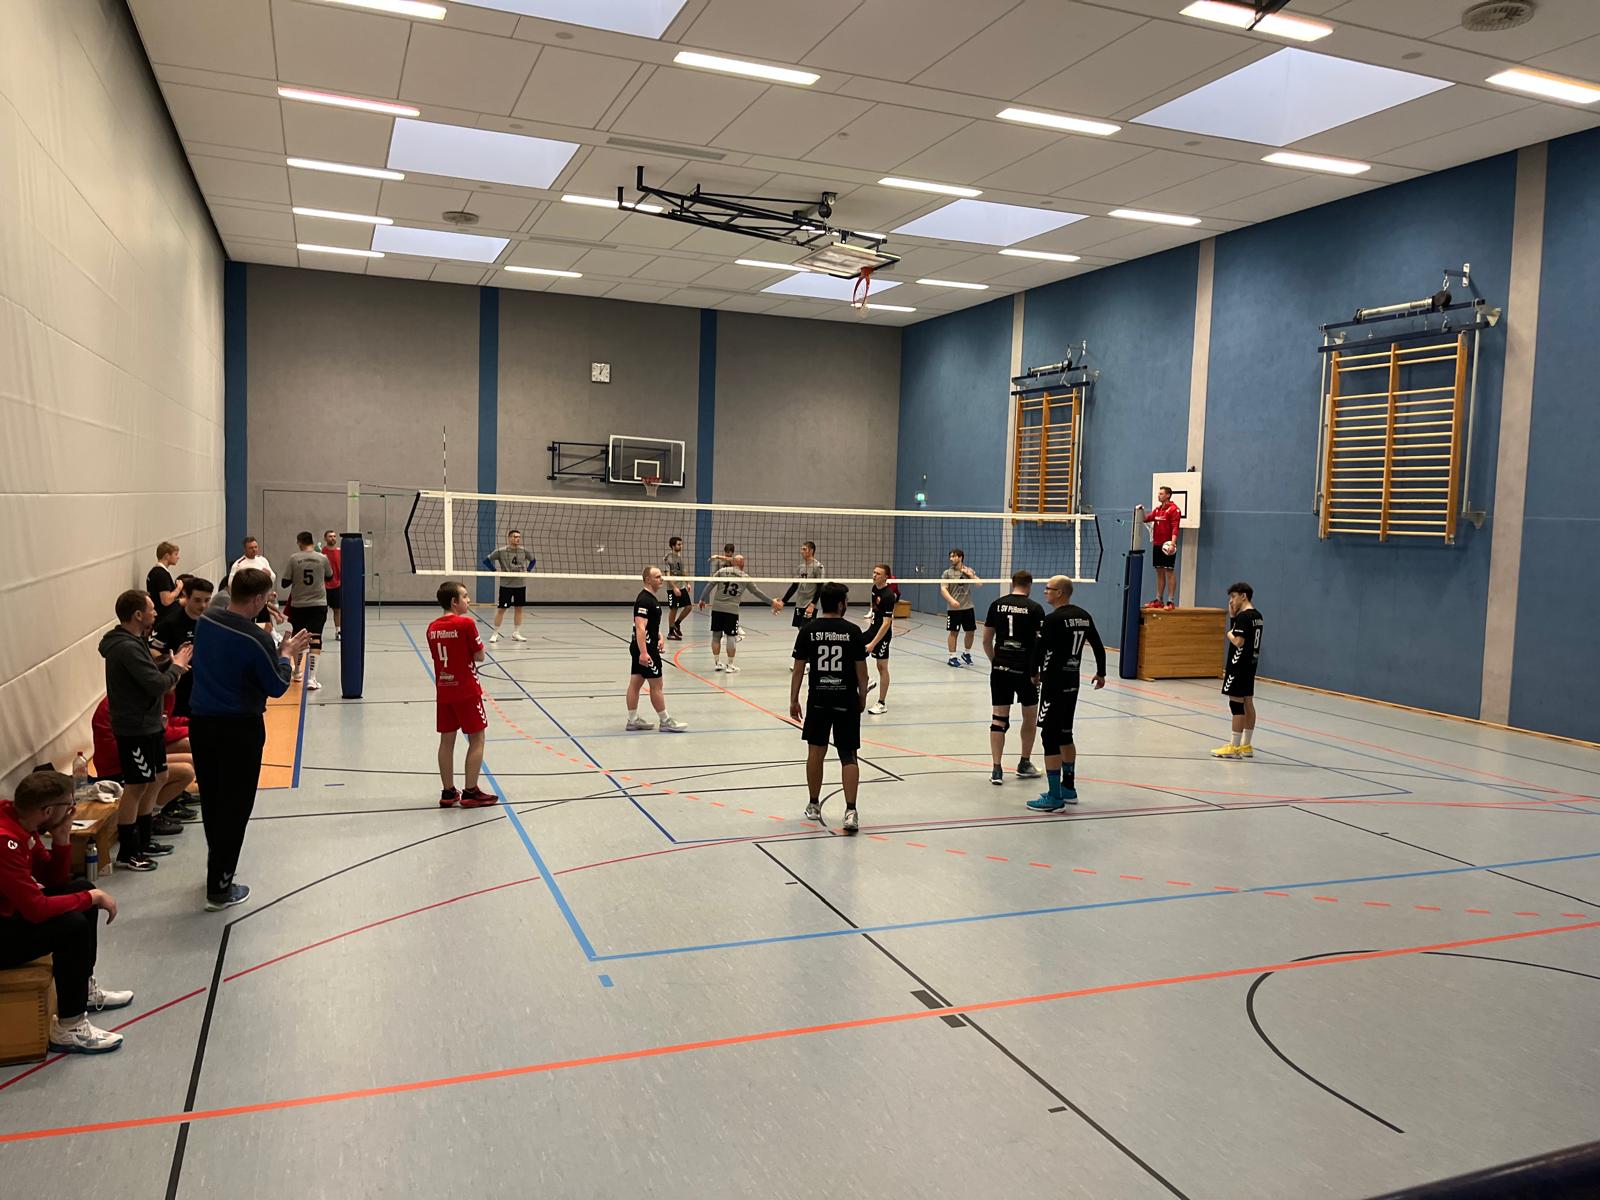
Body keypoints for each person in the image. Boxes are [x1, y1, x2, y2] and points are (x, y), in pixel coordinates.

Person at [189, 568, 310, 910]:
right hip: (238, 730)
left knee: (213, 800)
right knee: (235, 806)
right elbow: (276, 685)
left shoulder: (207, 621)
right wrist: (285, 654)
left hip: (202, 724)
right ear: (257, 599)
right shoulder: (255, 639)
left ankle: (217, 868)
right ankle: (220, 888)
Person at [0, 771, 129, 1054]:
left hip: (10, 914)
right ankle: (69, 1026)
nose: (72, 811)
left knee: (82, 889)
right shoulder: (5, 841)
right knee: (72, 924)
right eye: (69, 806)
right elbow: (36, 909)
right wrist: (90, 898)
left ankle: (82, 990)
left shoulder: (19, 819)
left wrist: (61, 837)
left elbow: (54, 880)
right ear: (47, 811)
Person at [99, 590, 191, 870]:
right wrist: (176, 667)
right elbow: (156, 684)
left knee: (159, 776)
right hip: (134, 728)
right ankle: (129, 850)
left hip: (149, 724)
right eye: (151, 609)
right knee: (137, 785)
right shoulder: (125, 647)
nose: (156, 612)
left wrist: (168, 664)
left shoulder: (136, 642)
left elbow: (148, 674)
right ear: (138, 615)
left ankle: (145, 837)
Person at [790, 582, 869, 832]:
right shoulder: (853, 631)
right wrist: (862, 697)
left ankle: (814, 804)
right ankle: (851, 811)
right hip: (846, 700)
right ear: (841, 604)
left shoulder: (808, 630)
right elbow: (863, 674)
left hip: (818, 700)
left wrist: (793, 700)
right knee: (848, 755)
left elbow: (798, 670)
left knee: (816, 752)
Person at [1027, 575, 1106, 812]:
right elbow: (1098, 645)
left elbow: (1039, 649)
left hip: (1053, 683)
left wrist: (1034, 673)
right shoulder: (1084, 616)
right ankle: (1068, 788)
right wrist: (1101, 673)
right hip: (1072, 682)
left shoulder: (1053, 619)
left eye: (1048, 589)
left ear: (1060, 592)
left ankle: (1054, 797)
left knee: (1049, 736)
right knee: (1065, 733)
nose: (1045, 592)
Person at [427, 582, 500, 805]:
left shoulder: (432, 628)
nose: (468, 600)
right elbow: (480, 656)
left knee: (446, 740)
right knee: (477, 738)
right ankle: (470, 792)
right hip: (466, 690)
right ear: (454, 602)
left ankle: (448, 792)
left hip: (444, 690)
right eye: (465, 596)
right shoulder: (466, 624)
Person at [91, 692, 199, 826]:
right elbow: (157, 732)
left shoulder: (149, 695)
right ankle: (152, 815)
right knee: (185, 771)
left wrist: (191, 724)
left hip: (133, 753)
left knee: (189, 757)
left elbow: (164, 722)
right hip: (117, 767)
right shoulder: (129, 702)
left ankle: (168, 801)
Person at [982, 570, 1044, 786]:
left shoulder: (996, 605)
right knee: (1029, 716)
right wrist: (1037, 672)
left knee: (998, 719)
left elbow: (986, 640)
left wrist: (995, 662)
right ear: (1029, 585)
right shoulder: (1035, 608)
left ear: (1012, 583)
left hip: (1000, 668)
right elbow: (1040, 645)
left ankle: (997, 769)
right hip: (1025, 671)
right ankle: (1024, 763)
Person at [625, 567, 689, 733]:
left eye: (661, 576)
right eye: (657, 576)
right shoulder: (644, 600)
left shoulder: (650, 599)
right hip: (645, 648)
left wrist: (659, 635)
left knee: (636, 682)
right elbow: (640, 627)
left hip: (642, 646)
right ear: (648, 580)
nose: (662, 579)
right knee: (657, 685)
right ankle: (665, 720)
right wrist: (644, 652)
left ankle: (632, 720)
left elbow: (649, 625)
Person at [697, 554, 774, 674]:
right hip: (731, 610)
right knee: (731, 637)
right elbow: (757, 592)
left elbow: (709, 585)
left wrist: (702, 599)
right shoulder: (745, 577)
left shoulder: (722, 571)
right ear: (743, 564)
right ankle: (730, 665)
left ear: (733, 562)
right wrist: (772, 602)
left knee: (716, 636)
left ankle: (717, 663)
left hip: (717, 608)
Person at [1213, 582, 1264, 760]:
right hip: (1250, 664)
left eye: (1234, 597)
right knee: (1248, 702)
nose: (1231, 601)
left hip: (1238, 664)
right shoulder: (1257, 616)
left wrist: (1228, 633)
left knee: (1236, 704)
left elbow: (1238, 641)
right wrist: (1233, 617)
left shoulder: (1244, 617)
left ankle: (1234, 747)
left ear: (1243, 596)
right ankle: (1246, 745)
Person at [156, 576, 213, 720]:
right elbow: (153, 652)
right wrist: (173, 660)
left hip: (208, 687)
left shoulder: (214, 622)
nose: (203, 605)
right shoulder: (170, 623)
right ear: (186, 597)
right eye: (197, 600)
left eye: (207, 600)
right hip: (182, 690)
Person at [282, 531, 333, 690]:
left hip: (299, 604)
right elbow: (330, 576)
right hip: (318, 603)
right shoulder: (322, 558)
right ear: (312, 541)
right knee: (315, 638)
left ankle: (297, 671)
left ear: (299, 542)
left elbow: (285, 582)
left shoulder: (294, 559)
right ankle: (312, 678)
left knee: (299, 637)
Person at [484, 530, 534, 643]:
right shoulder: (501, 551)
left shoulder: (524, 551)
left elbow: (533, 560)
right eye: (515, 537)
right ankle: (495, 633)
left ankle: (516, 633)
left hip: (520, 584)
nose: (517, 539)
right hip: (506, 585)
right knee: (502, 609)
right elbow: (486, 560)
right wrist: (494, 571)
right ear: (509, 538)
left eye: (519, 537)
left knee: (519, 609)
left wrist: (528, 570)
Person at [863, 564, 898, 715]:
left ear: (885, 577)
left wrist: (873, 643)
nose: (874, 575)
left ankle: (882, 703)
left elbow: (886, 623)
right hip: (871, 630)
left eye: (878, 573)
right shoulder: (874, 589)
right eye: (874, 572)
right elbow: (875, 611)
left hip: (882, 636)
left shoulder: (889, 596)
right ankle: (867, 681)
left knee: (882, 667)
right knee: (854, 651)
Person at [1141, 486, 1182, 610]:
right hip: (1157, 544)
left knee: (1169, 571)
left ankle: (1170, 601)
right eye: (1158, 494)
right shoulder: (1158, 510)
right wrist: (1141, 510)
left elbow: (1175, 527)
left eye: (1161, 494)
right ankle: (1159, 599)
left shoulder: (1174, 509)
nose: (1159, 496)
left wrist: (1173, 544)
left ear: (1168, 495)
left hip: (1168, 545)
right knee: (1159, 571)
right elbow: (1145, 519)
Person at [941, 548, 979, 667]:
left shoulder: (968, 570)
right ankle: (952, 657)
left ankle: (966, 653)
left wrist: (970, 575)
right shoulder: (947, 573)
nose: (951, 559)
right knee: (954, 632)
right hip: (954, 609)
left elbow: (979, 583)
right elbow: (943, 589)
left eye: (953, 556)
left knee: (971, 632)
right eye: (950, 556)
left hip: (968, 607)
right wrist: (951, 600)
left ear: (960, 557)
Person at [776, 541, 825, 632]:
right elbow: (794, 586)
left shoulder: (818, 567)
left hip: (810, 603)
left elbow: (820, 587)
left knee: (807, 629)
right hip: (800, 603)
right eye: (801, 549)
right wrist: (783, 601)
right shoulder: (800, 567)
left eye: (804, 549)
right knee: (800, 628)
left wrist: (813, 604)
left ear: (811, 551)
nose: (801, 551)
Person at [663, 536, 692, 641]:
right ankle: (671, 632)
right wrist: (674, 587)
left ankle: (676, 623)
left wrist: (687, 583)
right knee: (673, 609)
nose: (681, 546)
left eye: (681, 544)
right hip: (672, 588)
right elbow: (667, 575)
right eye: (679, 544)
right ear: (673, 546)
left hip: (681, 586)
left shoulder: (679, 557)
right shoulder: (668, 558)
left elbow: (683, 571)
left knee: (688, 607)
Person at [146, 541, 182, 618]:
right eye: (175, 554)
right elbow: (166, 600)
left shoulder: (154, 571)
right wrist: (179, 588)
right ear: (167, 556)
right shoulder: (161, 574)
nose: (178, 557)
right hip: (163, 616)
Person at [322, 531, 343, 640]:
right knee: (321, 611)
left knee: (337, 609)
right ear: (325, 538)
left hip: (337, 585)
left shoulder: (340, 552)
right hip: (323, 586)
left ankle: (338, 631)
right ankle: (318, 632)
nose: (333, 538)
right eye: (330, 536)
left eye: (334, 536)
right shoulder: (321, 552)